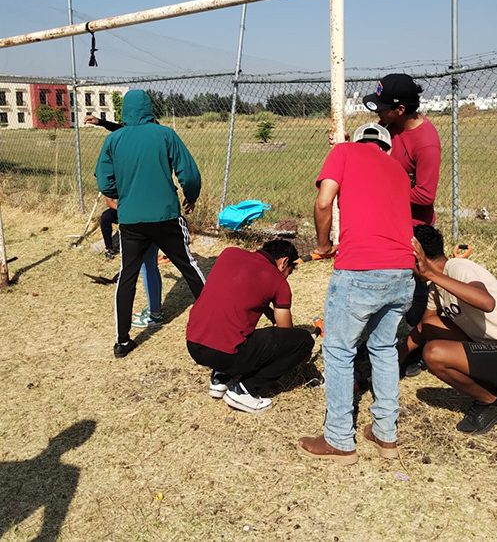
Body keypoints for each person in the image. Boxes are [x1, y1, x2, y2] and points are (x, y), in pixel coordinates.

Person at [298, 123, 415, 465]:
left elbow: (324, 203)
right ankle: (385, 434)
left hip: (360, 268)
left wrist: (323, 245)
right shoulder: (397, 169)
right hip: (402, 271)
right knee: (384, 349)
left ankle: (338, 439)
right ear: (387, 148)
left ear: (359, 140)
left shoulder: (344, 151)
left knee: (338, 350)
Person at [95, 90, 205, 358]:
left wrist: (122, 196)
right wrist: (190, 196)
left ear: (125, 112)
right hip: (165, 216)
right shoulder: (165, 134)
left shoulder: (114, 139)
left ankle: (122, 342)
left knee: (128, 276)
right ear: (149, 109)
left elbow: (104, 181)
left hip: (131, 220)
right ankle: (217, 321)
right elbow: (189, 174)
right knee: (189, 267)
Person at [401, 225, 497, 435]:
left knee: (434, 354)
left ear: (419, 258)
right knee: (433, 330)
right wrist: (395, 358)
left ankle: (492, 403)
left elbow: (486, 302)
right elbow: (427, 326)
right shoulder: (436, 287)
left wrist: (431, 273)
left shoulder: (459, 267)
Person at [363, 73, 443, 374]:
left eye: (383, 108)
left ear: (400, 109)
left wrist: (384, 189)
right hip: (388, 220)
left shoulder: (426, 143)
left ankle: (417, 349)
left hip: (412, 226)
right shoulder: (390, 126)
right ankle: (384, 342)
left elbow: (425, 194)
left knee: (417, 287)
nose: (378, 113)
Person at [186, 239, 315, 414]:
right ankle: (245, 390)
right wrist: (300, 352)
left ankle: (221, 377)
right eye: (289, 272)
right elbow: (285, 333)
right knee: (303, 341)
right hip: (226, 354)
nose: (286, 276)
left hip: (194, 344)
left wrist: (269, 312)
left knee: (231, 325)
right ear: (284, 262)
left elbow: (242, 295)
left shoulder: (229, 254)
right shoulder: (278, 281)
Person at [86, 115, 164, 329]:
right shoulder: (158, 143)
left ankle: (152, 316)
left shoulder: (136, 152)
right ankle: (156, 311)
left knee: (145, 266)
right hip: (157, 211)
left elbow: (123, 132)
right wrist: (102, 123)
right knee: (150, 264)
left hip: (141, 215)